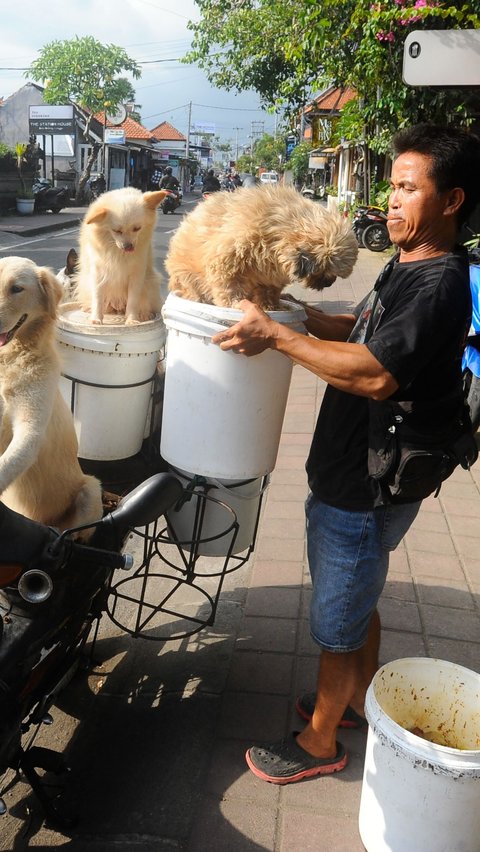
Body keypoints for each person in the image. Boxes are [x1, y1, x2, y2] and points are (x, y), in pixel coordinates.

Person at [212, 124, 480, 784]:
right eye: (392, 186)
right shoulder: (409, 262)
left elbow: (374, 372)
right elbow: (357, 330)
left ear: (452, 200)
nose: (391, 201)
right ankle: (356, 702)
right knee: (357, 596)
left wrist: (275, 336)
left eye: (409, 188)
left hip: (368, 483)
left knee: (336, 619)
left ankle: (321, 739)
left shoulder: (440, 282)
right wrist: (295, 316)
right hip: (358, 475)